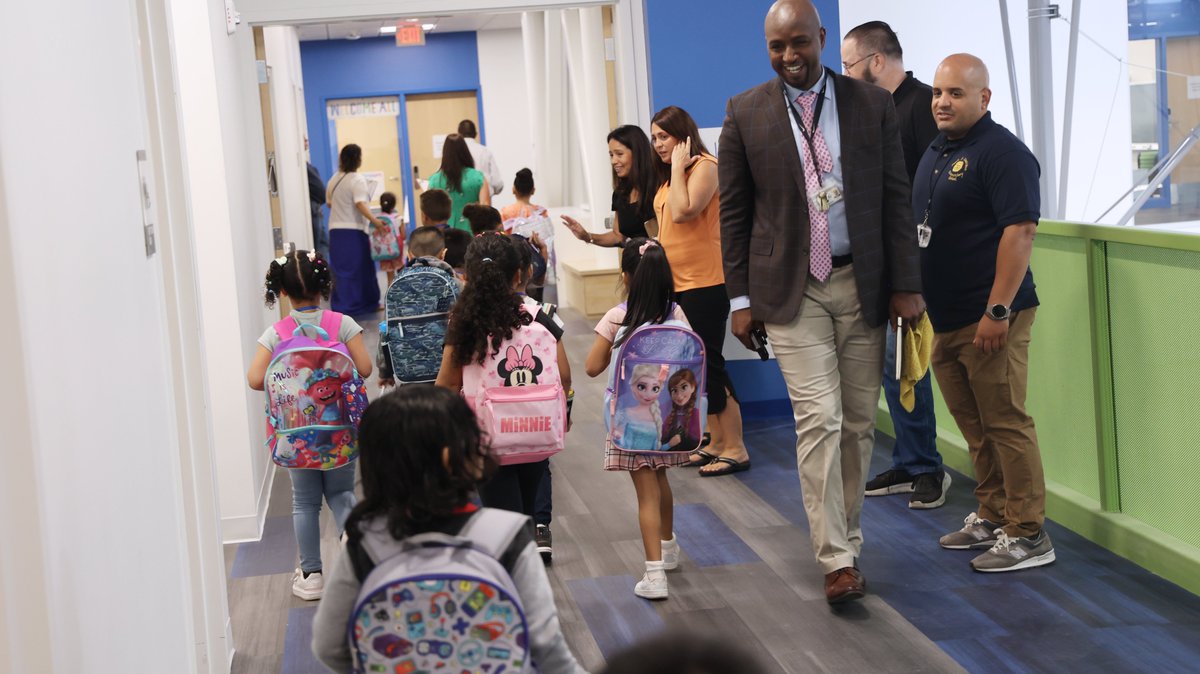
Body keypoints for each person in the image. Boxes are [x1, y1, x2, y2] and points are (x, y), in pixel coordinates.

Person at [718, 0, 924, 604]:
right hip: (791, 291)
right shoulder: (745, 111)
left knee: (859, 425)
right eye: (777, 47)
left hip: (863, 284)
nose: (788, 57)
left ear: (822, 39)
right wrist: (739, 298)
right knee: (820, 419)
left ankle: (849, 541)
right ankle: (835, 558)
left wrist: (907, 284)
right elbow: (733, 215)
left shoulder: (871, 105)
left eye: (799, 44)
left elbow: (895, 198)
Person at [309, 386, 585, 673]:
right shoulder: (508, 535)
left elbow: (328, 646)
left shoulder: (364, 542)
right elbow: (547, 647)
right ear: (449, 458)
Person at [918, 54, 1054, 572]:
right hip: (947, 317)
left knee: (1005, 423)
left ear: (984, 97)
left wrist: (997, 309)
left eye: (955, 92)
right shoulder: (938, 148)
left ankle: (1030, 533)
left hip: (992, 317)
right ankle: (994, 513)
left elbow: (1019, 232)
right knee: (975, 426)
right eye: (937, 92)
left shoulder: (1003, 153)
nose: (942, 101)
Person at [842, 21, 949, 509]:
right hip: (889, 266)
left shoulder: (922, 107)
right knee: (896, 366)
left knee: (915, 366)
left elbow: (933, 190)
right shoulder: (876, 110)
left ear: (876, 61)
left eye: (849, 64)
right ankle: (911, 460)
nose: (845, 74)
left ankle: (927, 467)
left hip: (924, 269)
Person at [245, 248, 373, 601]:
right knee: (342, 493)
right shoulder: (342, 323)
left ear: (281, 292)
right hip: (341, 431)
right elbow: (363, 368)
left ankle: (312, 575)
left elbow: (256, 379)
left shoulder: (276, 332)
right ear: (324, 285)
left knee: (304, 503)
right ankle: (353, 539)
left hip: (296, 436)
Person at [435, 233, 571, 521]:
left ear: (467, 276)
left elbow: (446, 385)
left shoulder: (465, 323)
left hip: (487, 441)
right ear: (519, 274)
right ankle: (527, 550)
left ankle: (515, 559)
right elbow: (565, 376)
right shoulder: (541, 317)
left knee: (503, 516)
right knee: (529, 507)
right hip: (537, 430)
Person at [584, 238, 692, 599]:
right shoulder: (676, 315)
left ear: (627, 276)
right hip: (666, 418)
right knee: (660, 481)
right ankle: (669, 546)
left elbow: (592, 366)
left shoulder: (619, 316)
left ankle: (655, 575)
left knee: (645, 492)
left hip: (630, 424)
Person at [649, 106, 749, 477]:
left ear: (683, 137)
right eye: (655, 138)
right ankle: (716, 442)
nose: (659, 144)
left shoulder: (705, 165)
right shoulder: (669, 179)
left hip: (707, 282)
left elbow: (684, 211)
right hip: (679, 284)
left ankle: (735, 447)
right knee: (697, 368)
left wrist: (677, 166)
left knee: (711, 363)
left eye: (665, 136)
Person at [562, 125, 660, 247]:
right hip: (633, 263)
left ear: (637, 153)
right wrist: (587, 236)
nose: (613, 161)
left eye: (619, 154)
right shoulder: (620, 193)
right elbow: (618, 236)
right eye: (611, 155)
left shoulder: (659, 187)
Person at [326, 143, 388, 316]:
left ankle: (341, 304)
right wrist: (375, 221)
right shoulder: (357, 179)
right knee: (360, 267)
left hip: (335, 231)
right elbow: (360, 203)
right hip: (353, 230)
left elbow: (329, 203)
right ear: (358, 159)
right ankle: (365, 303)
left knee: (341, 269)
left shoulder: (333, 179)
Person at [427, 134, 490, 231]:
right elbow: (486, 210)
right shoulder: (478, 178)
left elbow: (429, 213)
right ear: (465, 152)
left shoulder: (434, 180)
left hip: (444, 235)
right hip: (472, 234)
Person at [458, 118, 505, 196]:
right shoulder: (485, 152)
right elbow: (497, 183)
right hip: (483, 202)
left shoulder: (452, 152)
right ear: (475, 134)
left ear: (458, 135)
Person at [306, 138, 329, 260]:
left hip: (317, 207)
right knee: (316, 246)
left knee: (323, 243)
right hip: (312, 208)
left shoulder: (308, 166)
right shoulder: (300, 167)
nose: (306, 141)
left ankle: (323, 274)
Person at [377, 191, 404, 288]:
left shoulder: (377, 219)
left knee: (390, 275)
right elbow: (403, 236)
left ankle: (390, 293)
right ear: (394, 205)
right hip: (396, 247)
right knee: (400, 270)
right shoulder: (398, 218)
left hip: (384, 248)